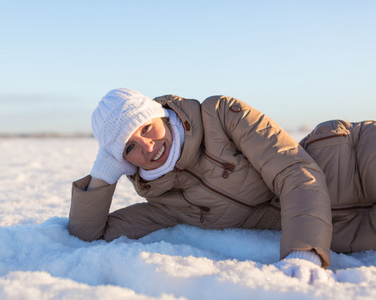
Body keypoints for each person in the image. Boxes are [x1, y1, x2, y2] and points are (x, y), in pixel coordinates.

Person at [68, 88, 375, 276]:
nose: (148, 148)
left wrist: (304, 250)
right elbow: (89, 234)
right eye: (129, 147)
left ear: (160, 115)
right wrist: (103, 173)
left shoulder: (219, 115)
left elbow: (293, 172)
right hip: (352, 228)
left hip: (355, 159)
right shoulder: (164, 202)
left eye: (146, 128)